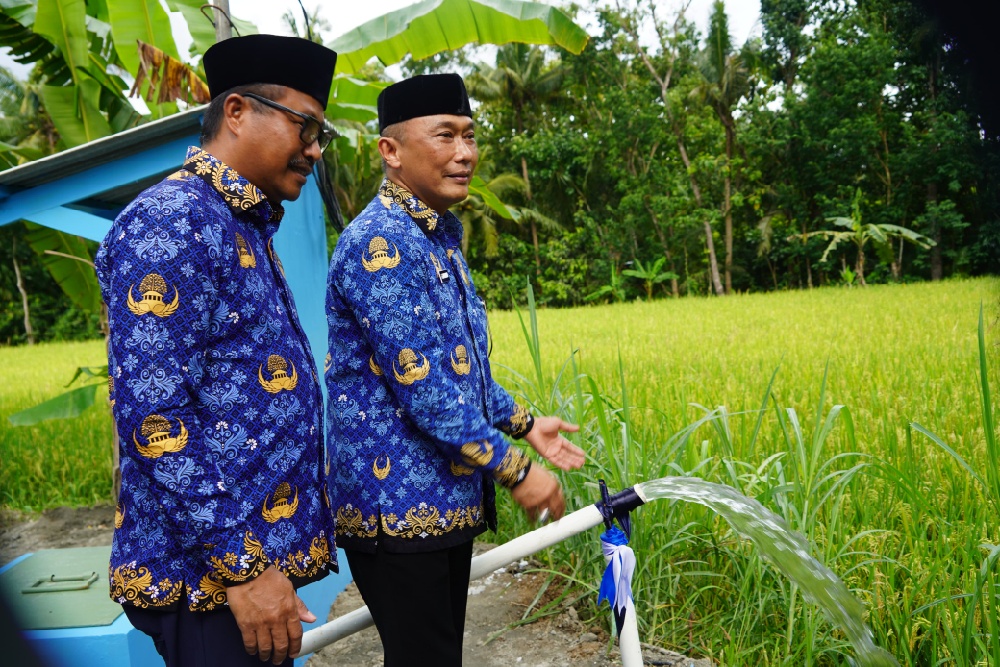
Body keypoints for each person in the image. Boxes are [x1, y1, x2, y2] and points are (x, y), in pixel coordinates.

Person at [324, 73, 586, 666]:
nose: (465, 153)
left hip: (444, 497)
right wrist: (518, 471)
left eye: (470, 136)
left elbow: (461, 371)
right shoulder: (380, 245)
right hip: (395, 504)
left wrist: (526, 423)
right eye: (445, 136)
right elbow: (427, 390)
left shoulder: (439, 235)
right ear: (390, 151)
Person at [95, 35, 339, 667]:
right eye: (304, 126)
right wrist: (246, 569)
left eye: (322, 134)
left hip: (237, 573)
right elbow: (156, 419)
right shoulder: (173, 222)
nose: (314, 149)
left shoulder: (240, 221)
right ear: (236, 112)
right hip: (210, 581)